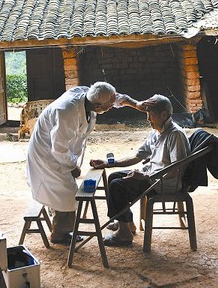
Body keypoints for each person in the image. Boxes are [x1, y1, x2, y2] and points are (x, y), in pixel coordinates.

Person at [26, 82, 151, 245]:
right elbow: (59, 149)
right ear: (98, 106)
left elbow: (116, 98)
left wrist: (136, 104)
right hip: (47, 154)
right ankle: (59, 234)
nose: (112, 107)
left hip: (60, 151)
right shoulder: (66, 111)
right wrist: (73, 166)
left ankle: (61, 228)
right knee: (68, 193)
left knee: (63, 192)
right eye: (109, 106)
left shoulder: (90, 94)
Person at [89, 94, 190, 247]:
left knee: (118, 186)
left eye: (151, 114)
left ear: (164, 115)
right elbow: (138, 156)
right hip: (152, 176)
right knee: (114, 176)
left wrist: (145, 176)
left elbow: (176, 168)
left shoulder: (175, 135)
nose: (148, 119)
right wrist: (109, 163)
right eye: (147, 114)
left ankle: (124, 235)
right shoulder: (156, 132)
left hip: (164, 182)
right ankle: (127, 223)